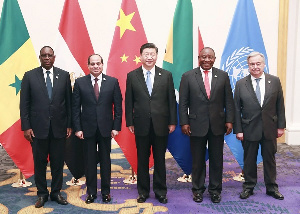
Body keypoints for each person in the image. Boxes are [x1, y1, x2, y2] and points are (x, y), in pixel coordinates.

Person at [179, 47, 234, 203]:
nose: (207, 60)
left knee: (217, 160)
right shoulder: (188, 76)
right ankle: (198, 190)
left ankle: (215, 190)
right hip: (196, 125)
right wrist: (184, 122)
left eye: (210, 57)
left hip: (218, 125)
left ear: (214, 59)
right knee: (197, 160)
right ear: (199, 58)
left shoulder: (222, 76)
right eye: (204, 57)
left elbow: (228, 101)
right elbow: (183, 103)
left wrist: (229, 120)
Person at [125, 43, 177, 204]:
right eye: (146, 54)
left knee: (160, 159)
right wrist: (130, 121)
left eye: (152, 54)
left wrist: (172, 122)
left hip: (161, 125)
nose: (149, 57)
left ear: (156, 56)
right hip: (140, 124)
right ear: (140, 56)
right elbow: (129, 101)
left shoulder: (166, 75)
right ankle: (143, 192)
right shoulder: (132, 76)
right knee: (142, 159)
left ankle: (160, 191)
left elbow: (171, 101)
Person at [20, 46, 71, 208]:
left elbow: (69, 103)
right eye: (44, 56)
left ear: (54, 57)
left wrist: (69, 125)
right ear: (40, 57)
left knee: (57, 163)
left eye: (50, 55)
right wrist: (26, 126)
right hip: (37, 129)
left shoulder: (63, 75)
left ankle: (56, 192)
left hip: (59, 128)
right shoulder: (29, 76)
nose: (47, 58)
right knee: (39, 163)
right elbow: (24, 104)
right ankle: (42, 194)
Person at [234, 52, 285, 200]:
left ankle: (271, 187)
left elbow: (280, 105)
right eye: (252, 64)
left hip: (270, 128)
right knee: (249, 159)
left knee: (270, 158)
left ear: (264, 64)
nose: (255, 67)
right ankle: (249, 187)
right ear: (248, 66)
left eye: (258, 64)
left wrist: (281, 126)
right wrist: (239, 130)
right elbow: (237, 109)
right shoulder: (240, 84)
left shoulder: (274, 81)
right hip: (249, 129)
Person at [72, 54, 122, 204]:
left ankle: (106, 192)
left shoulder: (112, 82)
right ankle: (91, 193)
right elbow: (75, 108)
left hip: (106, 129)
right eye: (92, 64)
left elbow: (118, 107)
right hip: (87, 129)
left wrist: (116, 127)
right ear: (88, 66)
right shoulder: (80, 83)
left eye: (98, 64)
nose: (95, 66)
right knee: (90, 162)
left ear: (102, 65)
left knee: (106, 162)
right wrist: (77, 128)